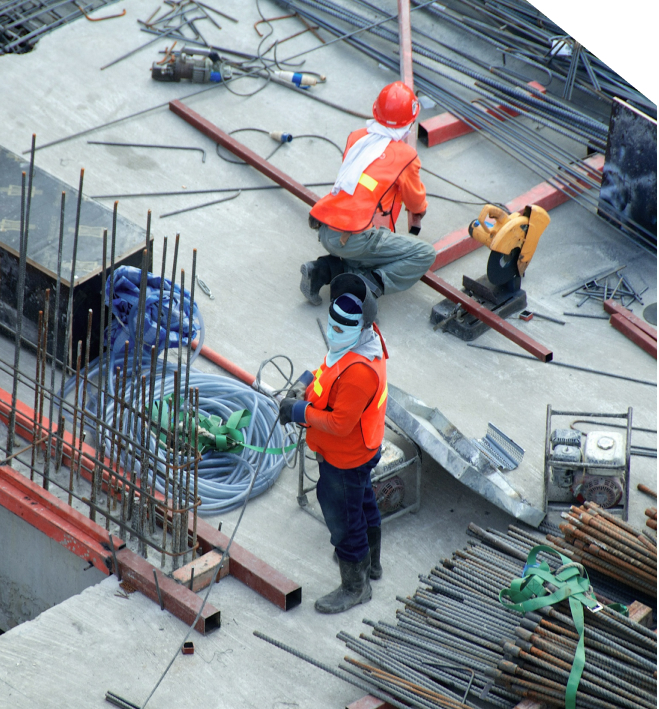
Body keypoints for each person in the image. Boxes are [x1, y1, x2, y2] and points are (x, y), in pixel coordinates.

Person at [279, 273, 387, 614]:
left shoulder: (360, 372)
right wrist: (305, 383)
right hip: (361, 451)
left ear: (362, 326)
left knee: (344, 520)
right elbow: (329, 370)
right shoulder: (359, 343)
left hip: (346, 456)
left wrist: (300, 410)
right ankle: (371, 565)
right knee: (363, 502)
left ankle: (356, 587)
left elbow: (340, 424)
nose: (334, 334)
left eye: (342, 329)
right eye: (332, 325)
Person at [300, 81, 436, 305]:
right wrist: (420, 211)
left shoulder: (357, 137)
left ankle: (321, 271)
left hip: (326, 227)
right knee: (423, 253)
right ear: (410, 122)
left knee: (367, 250)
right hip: (353, 237)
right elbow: (414, 201)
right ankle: (366, 287)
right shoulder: (406, 156)